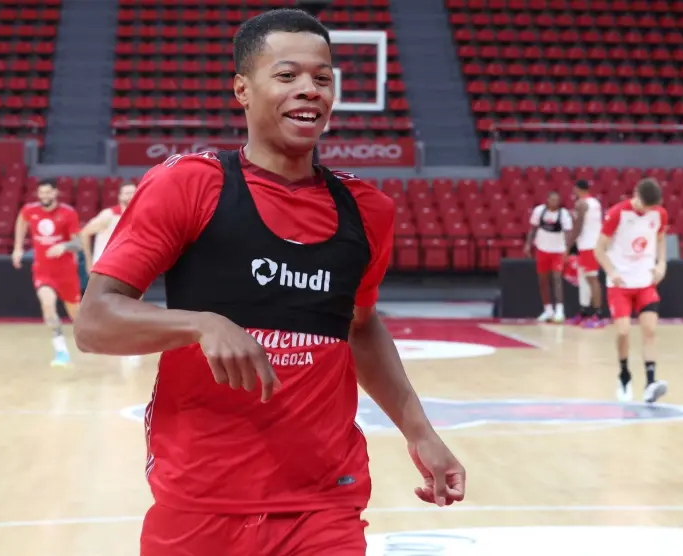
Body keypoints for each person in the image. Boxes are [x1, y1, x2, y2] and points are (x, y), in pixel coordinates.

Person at [74, 9, 466, 556]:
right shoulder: (189, 186)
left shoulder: (368, 210)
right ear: (242, 89)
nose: (309, 89)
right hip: (200, 501)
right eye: (287, 75)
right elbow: (94, 322)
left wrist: (420, 431)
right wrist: (201, 325)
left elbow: (360, 327)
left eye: (322, 77)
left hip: (325, 503)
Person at [595, 178, 669, 403]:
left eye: (650, 207)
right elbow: (599, 249)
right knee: (623, 331)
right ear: (636, 195)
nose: (647, 210)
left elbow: (661, 239)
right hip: (620, 284)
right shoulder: (617, 213)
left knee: (650, 330)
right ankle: (624, 376)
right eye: (644, 206)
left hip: (645, 281)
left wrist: (662, 263)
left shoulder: (660, 214)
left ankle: (650, 384)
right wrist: (611, 271)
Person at [12, 179, 82, 367]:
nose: (44, 196)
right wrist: (18, 248)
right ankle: (61, 350)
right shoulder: (30, 210)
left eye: (48, 192)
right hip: (43, 272)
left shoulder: (68, 213)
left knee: (77, 318)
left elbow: (78, 243)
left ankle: (99, 341)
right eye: (41, 192)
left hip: (66, 273)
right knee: (47, 305)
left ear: (55, 193)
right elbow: (21, 220)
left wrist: (64, 246)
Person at [525, 191, 573, 323]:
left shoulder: (563, 214)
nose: (554, 202)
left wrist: (568, 249)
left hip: (558, 251)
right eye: (552, 200)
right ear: (547, 200)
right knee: (543, 280)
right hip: (542, 250)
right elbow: (533, 229)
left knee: (557, 278)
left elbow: (568, 233)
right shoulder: (539, 211)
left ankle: (560, 310)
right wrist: (528, 244)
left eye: (557, 200)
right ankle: (548, 310)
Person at [567, 180, 605, 328]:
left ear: (577, 189)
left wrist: (568, 245)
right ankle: (584, 312)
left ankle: (598, 314)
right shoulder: (595, 202)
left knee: (592, 279)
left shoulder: (581, 204)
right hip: (590, 244)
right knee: (583, 279)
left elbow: (578, 227)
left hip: (589, 245)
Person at [78, 182, 137, 276]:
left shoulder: (138, 216)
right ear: (120, 196)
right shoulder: (109, 215)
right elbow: (84, 233)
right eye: (127, 193)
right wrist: (88, 261)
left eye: (133, 192)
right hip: (105, 269)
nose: (131, 196)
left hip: (128, 267)